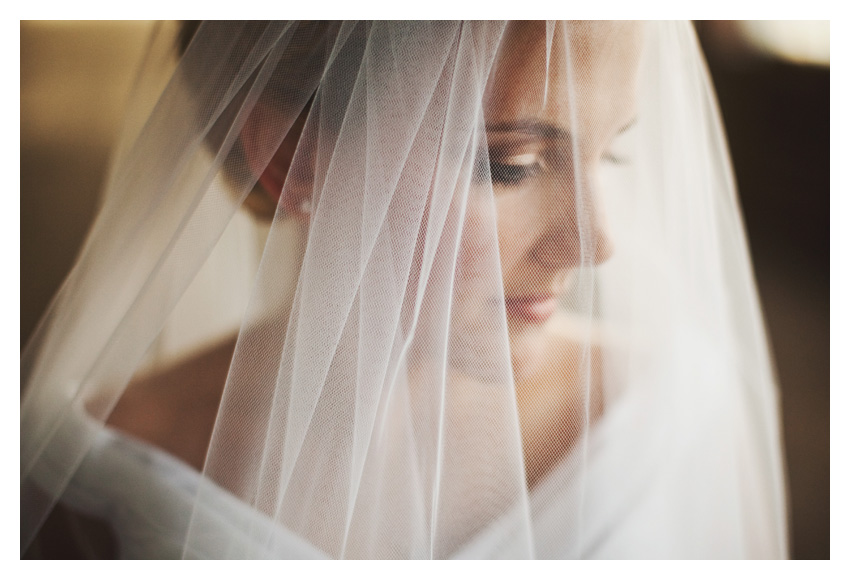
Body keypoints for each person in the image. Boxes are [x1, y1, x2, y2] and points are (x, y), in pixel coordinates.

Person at [21, 21, 788, 559]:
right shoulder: (90, 468)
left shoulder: (671, 412)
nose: (596, 243)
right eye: (509, 165)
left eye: (611, 156)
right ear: (292, 160)